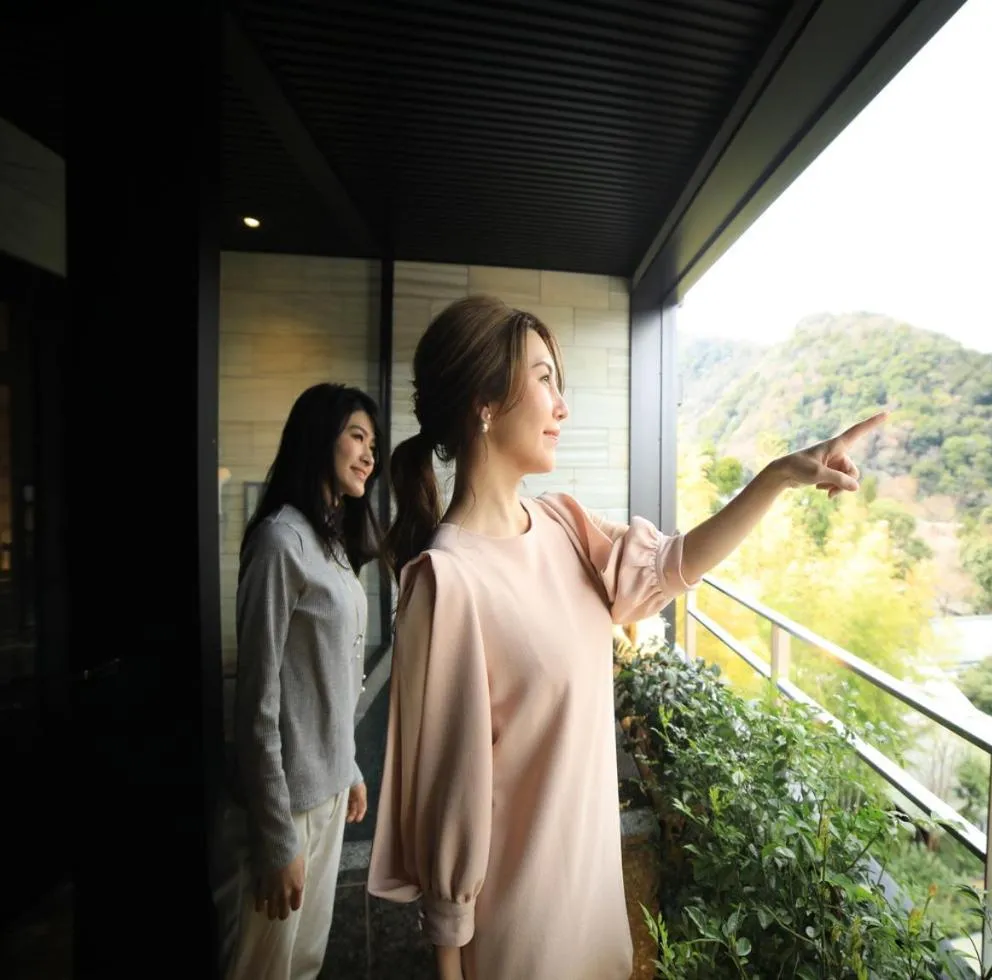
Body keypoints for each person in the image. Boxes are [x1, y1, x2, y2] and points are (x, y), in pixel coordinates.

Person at [368, 295, 885, 980]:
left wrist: (780, 477)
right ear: (484, 403)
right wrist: (451, 964)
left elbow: (674, 564)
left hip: (595, 908)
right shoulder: (448, 581)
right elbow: (448, 797)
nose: (562, 405)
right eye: (545, 377)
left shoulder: (561, 527)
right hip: (523, 933)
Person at [215, 382, 386, 980]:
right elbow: (258, 702)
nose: (370, 455)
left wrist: (350, 767)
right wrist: (276, 835)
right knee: (264, 968)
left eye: (374, 443)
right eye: (357, 437)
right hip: (287, 804)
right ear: (319, 438)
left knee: (305, 962)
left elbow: (327, 677)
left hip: (329, 792)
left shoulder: (330, 544)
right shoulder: (280, 542)